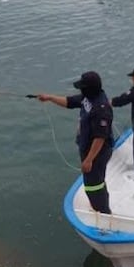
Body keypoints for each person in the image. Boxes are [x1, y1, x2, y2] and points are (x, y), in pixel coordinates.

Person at [38, 71, 114, 213]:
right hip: (87, 148)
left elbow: (100, 137)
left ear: (90, 88)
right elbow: (69, 102)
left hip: (97, 152)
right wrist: (49, 98)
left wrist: (89, 160)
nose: (80, 90)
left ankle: (103, 212)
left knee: (93, 184)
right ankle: (99, 205)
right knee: (94, 180)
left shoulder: (101, 108)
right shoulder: (88, 99)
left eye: (83, 87)